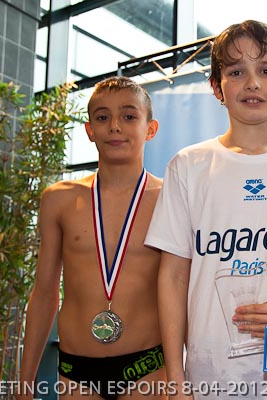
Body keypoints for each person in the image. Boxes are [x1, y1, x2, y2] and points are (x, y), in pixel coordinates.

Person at [144, 20, 267, 399]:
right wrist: (175, 377)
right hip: (211, 375)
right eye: (236, 72)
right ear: (216, 86)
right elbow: (172, 276)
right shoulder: (188, 165)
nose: (252, 83)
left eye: (266, 70)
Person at [19, 76, 167, 400]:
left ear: (150, 128)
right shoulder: (58, 199)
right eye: (102, 117)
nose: (115, 126)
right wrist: (25, 383)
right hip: (76, 371)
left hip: (147, 367)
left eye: (129, 116)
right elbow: (44, 293)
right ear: (89, 130)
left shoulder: (169, 198)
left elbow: (183, 293)